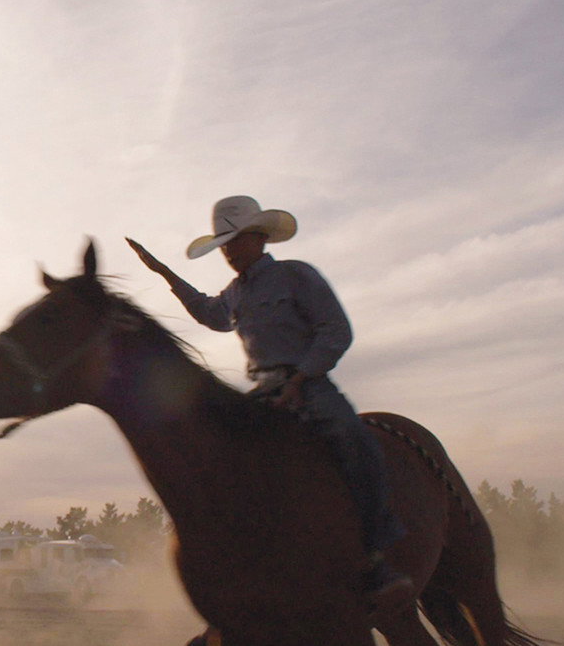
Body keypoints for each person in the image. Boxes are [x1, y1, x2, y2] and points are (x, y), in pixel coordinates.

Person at [126, 195, 414, 607]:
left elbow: (335, 331)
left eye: (234, 240)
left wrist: (300, 377)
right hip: (261, 391)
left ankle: (377, 557)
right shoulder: (236, 292)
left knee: (355, 442)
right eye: (222, 244)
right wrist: (166, 274)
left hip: (310, 386)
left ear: (260, 238)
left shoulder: (297, 276)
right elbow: (212, 315)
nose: (227, 250)